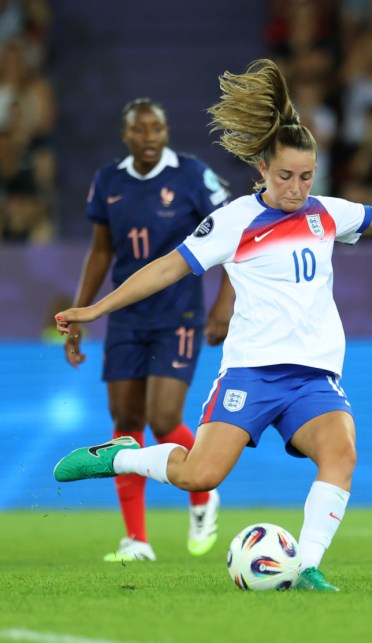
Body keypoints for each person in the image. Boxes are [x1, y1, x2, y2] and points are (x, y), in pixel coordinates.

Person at [52, 59, 372, 592]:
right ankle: (123, 456)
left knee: (342, 452)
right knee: (200, 475)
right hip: (250, 373)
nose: (296, 188)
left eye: (305, 177)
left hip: (312, 376)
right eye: (284, 177)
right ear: (262, 171)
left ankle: (309, 564)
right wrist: (94, 309)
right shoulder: (233, 221)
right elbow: (166, 267)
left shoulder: (326, 214)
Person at [63, 98, 233, 562]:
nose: (149, 136)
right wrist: (82, 312)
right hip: (126, 318)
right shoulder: (109, 181)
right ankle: (136, 540)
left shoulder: (194, 176)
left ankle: (202, 493)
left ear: (166, 131)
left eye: (156, 128)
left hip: (177, 313)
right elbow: (101, 253)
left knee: (162, 419)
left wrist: (224, 303)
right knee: (125, 424)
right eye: (139, 130)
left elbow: (232, 238)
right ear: (126, 135)